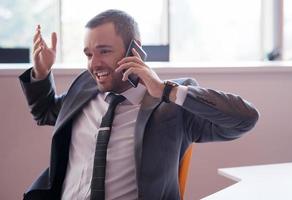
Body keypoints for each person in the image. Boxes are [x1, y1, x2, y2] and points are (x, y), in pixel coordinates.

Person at [19, 9, 259, 200]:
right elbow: (45, 112)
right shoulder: (85, 85)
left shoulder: (171, 105)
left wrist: (166, 91)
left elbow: (244, 120)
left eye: (104, 51)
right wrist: (41, 72)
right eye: (89, 54)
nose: (95, 64)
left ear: (135, 49)